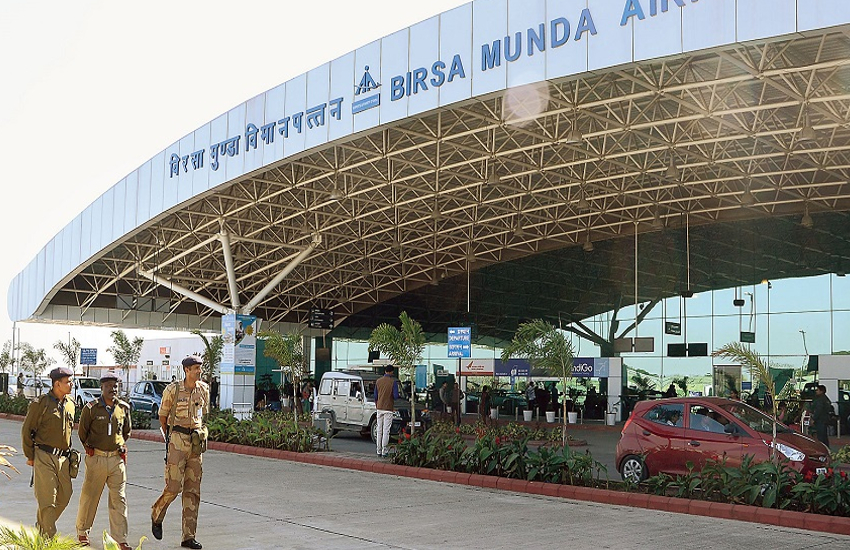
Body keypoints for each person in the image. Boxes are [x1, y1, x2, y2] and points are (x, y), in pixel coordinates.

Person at [151, 356, 210, 550]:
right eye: (195, 369)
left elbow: (204, 414)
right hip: (177, 440)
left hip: (196, 443)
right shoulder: (173, 389)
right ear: (186, 370)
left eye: (199, 368)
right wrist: (171, 438)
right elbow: (163, 416)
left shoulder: (203, 389)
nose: (198, 372)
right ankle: (157, 514)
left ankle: (188, 536)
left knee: (193, 490)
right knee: (173, 487)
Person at [75, 372, 132, 549]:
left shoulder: (123, 408)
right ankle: (83, 531)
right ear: (102, 388)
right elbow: (82, 432)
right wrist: (90, 448)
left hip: (116, 460)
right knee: (90, 497)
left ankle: (120, 538)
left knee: (119, 499)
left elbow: (127, 432)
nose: (112, 389)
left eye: (115, 386)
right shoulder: (91, 408)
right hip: (96, 459)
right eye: (108, 386)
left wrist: (119, 445)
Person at [21, 366, 76, 538]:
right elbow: (26, 430)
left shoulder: (70, 404)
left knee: (65, 496)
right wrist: (30, 456)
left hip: (63, 459)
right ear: (57, 384)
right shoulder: (42, 403)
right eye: (68, 382)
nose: (71, 384)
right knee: (47, 500)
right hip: (44, 456)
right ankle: (48, 539)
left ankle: (42, 525)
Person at [374, 365, 399, 457]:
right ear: (392, 372)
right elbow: (396, 396)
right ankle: (385, 451)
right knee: (386, 431)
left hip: (379, 408)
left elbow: (375, 396)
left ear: (385, 371)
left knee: (379, 430)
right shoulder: (393, 382)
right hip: (388, 408)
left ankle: (378, 450)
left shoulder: (378, 381)